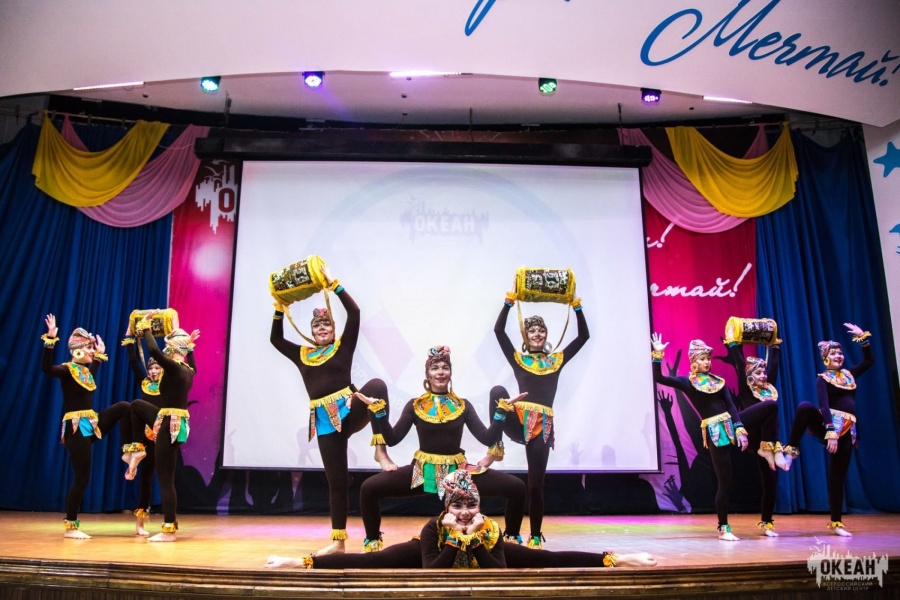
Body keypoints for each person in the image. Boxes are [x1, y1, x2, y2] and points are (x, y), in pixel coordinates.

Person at [265, 469, 656, 569]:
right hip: (432, 552)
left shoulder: (490, 529)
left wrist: (477, 538)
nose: (465, 511)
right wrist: (453, 537)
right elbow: (434, 574)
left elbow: (496, 574)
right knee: (372, 561)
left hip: (479, 548)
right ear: (446, 509)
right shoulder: (432, 528)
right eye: (457, 506)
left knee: (546, 558)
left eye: (470, 505)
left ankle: (617, 558)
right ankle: (301, 562)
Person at [353, 346, 527, 553]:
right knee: (368, 488)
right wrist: (378, 412)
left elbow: (487, 437)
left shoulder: (463, 405)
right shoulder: (415, 405)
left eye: (445, 367)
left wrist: (501, 412)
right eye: (435, 368)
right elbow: (392, 439)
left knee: (516, 487)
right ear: (428, 374)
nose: (440, 372)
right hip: (421, 473)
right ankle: (372, 544)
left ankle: (512, 543)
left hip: (458, 474)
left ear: (450, 373)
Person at [270, 270, 396, 555]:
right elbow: (276, 340)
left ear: (334, 329)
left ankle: (380, 450)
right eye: (317, 326)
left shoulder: (342, 347)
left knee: (377, 385)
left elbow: (355, 313)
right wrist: (279, 308)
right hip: (326, 423)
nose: (322, 328)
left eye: (326, 324)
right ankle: (338, 542)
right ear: (311, 332)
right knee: (336, 482)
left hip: (350, 410)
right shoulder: (302, 355)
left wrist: (334, 286)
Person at [485, 292, 589, 547]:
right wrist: (508, 303)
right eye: (532, 331)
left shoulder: (556, 361)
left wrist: (577, 307)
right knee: (497, 392)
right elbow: (499, 331)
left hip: (542, 426)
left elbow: (583, 337)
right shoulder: (519, 360)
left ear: (546, 335)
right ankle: (495, 446)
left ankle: (534, 536)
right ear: (525, 336)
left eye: (541, 330)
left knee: (535, 484)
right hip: (518, 419)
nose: (537, 334)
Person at [650, 334, 768, 541]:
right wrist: (657, 355)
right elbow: (660, 378)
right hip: (716, 431)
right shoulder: (688, 382)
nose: (706, 362)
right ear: (694, 361)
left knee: (770, 407)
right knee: (725, 481)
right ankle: (723, 527)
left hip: (731, 425)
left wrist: (740, 429)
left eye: (708, 358)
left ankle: (766, 448)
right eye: (702, 358)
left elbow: (731, 407)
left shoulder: (718, 382)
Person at [41, 314, 130, 539]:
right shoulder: (67, 370)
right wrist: (50, 339)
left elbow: (92, 374)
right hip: (75, 429)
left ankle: (131, 450)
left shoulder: (86, 373)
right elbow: (47, 368)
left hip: (92, 424)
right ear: (78, 351)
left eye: (92, 349)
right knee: (82, 478)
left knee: (124, 407)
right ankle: (71, 526)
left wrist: (99, 354)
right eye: (89, 349)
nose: (92, 352)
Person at [782, 323, 873, 537]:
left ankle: (836, 522)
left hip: (847, 429)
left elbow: (869, 361)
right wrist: (830, 432)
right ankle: (790, 451)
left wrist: (863, 339)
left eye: (840, 353)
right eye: (833, 353)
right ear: (825, 358)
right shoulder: (822, 379)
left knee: (837, 476)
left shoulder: (849, 375)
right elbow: (823, 405)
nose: (838, 356)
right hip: (828, 425)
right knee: (805, 407)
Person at [127, 311, 198, 542]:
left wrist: (146, 327)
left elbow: (154, 351)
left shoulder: (175, 367)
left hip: (169, 423)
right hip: (173, 421)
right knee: (136, 405)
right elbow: (187, 360)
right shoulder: (188, 370)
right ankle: (137, 449)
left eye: (169, 344)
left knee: (166, 481)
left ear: (175, 348)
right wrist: (191, 347)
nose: (165, 346)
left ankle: (169, 530)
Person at [722, 341, 787, 537]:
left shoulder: (769, 389)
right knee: (771, 406)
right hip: (751, 432)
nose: (763, 376)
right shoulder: (746, 388)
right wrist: (733, 345)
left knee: (770, 481)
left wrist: (775, 347)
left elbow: (774, 366)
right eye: (758, 373)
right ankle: (768, 449)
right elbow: (739, 364)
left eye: (763, 373)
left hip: (768, 439)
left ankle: (767, 523)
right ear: (750, 376)